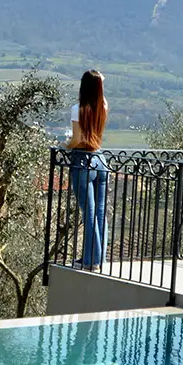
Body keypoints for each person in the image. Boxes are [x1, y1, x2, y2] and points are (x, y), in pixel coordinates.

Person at [66, 70, 109, 271]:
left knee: (89, 212)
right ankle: (98, 258)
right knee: (100, 212)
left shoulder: (78, 109)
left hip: (82, 160)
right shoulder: (103, 106)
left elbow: (77, 140)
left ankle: (91, 261)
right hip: (100, 160)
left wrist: (64, 146)